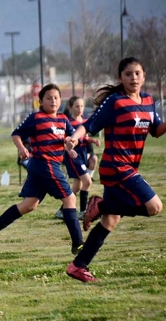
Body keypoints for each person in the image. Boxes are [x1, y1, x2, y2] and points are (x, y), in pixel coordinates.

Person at [66, 57, 166, 282]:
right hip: (116, 166)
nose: (133, 78)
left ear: (144, 76)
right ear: (120, 78)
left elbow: (157, 130)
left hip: (129, 166)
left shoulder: (149, 101)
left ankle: (78, 266)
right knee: (154, 207)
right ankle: (100, 204)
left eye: (137, 73)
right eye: (128, 74)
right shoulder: (115, 102)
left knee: (110, 221)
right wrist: (73, 138)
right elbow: (88, 125)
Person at [0, 83, 84, 255]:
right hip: (44, 164)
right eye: (48, 98)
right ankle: (78, 243)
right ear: (41, 101)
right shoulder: (36, 118)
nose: (53, 101)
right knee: (70, 199)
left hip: (45, 166)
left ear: (61, 101)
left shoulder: (64, 120)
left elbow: (72, 138)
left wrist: (71, 144)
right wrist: (21, 148)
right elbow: (16, 133)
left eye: (56, 98)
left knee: (29, 205)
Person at [54, 96, 101, 220]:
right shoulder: (68, 123)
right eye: (76, 106)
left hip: (83, 153)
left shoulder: (84, 122)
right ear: (70, 107)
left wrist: (93, 140)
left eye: (81, 106)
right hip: (74, 156)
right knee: (88, 182)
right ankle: (83, 212)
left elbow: (83, 138)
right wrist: (68, 150)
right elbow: (65, 140)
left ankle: (61, 211)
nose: (79, 109)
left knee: (77, 186)